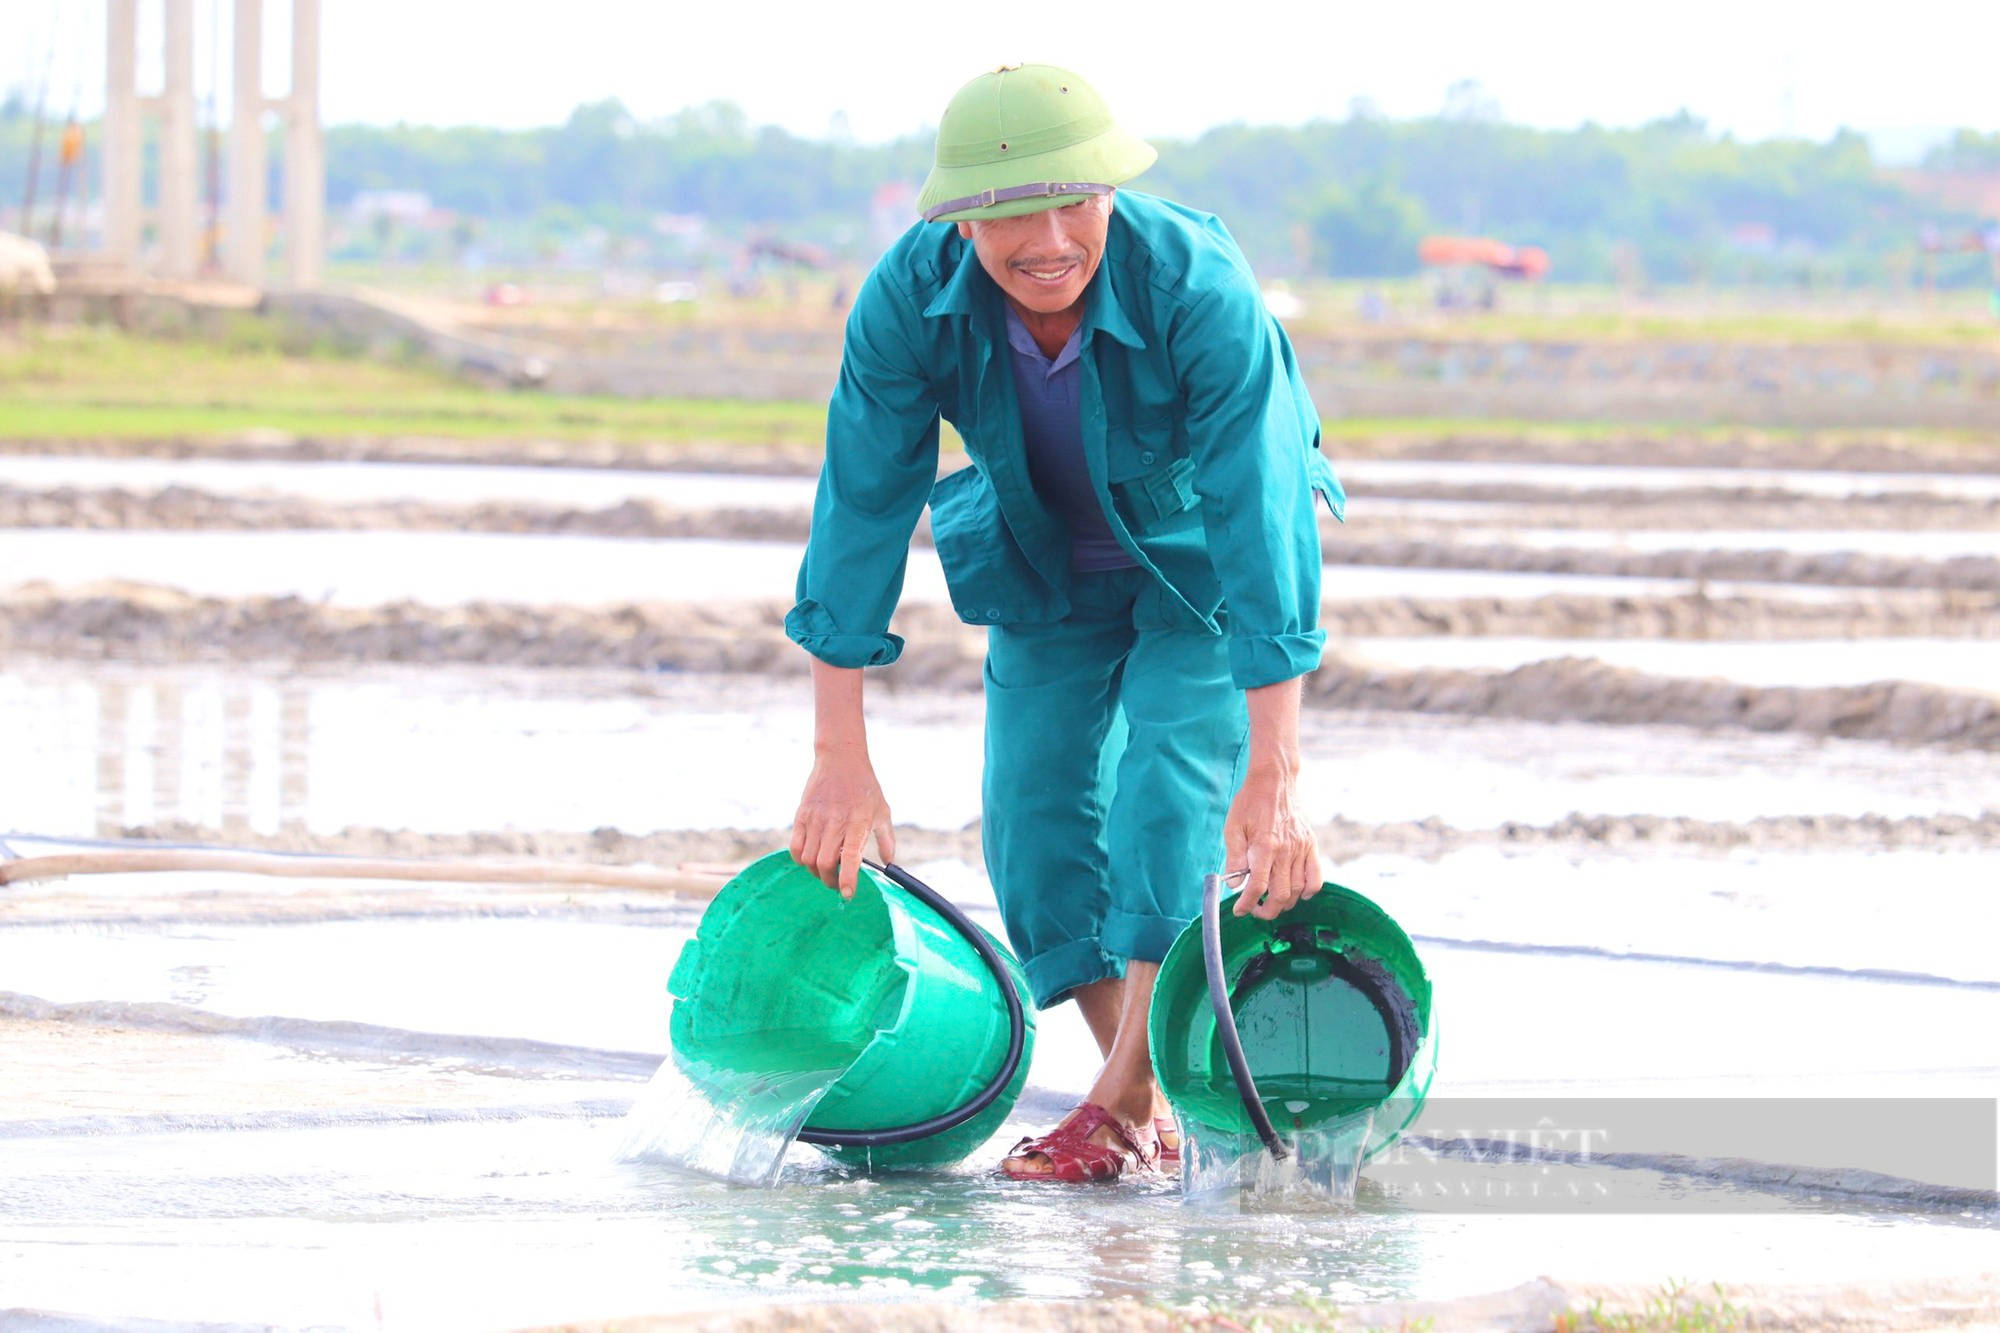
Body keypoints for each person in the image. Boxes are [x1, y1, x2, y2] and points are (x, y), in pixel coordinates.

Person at [787, 63, 1344, 1182]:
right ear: (956, 216)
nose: (1044, 239)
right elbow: (859, 504)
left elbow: (1261, 503)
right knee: (1032, 834)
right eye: (1004, 215)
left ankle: (1119, 1100)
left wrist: (1276, 764)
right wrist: (837, 759)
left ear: (1109, 191)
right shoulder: (909, 298)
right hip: (1041, 560)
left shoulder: (1193, 286)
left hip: (1196, 567)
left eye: (1070, 203)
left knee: (1165, 806)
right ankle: (1137, 1095)